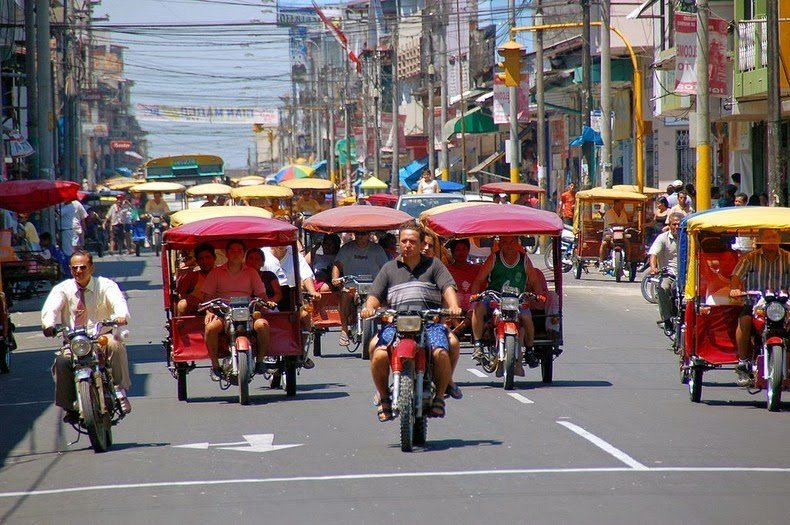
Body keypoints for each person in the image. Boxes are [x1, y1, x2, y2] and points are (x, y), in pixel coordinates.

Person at [360, 222, 462, 420]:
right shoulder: (389, 268)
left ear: (421, 243)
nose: (407, 245)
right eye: (404, 241)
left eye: (412, 241)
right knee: (376, 349)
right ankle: (383, 397)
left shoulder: (434, 265)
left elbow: (448, 288)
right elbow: (374, 296)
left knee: (443, 351)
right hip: (396, 323)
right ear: (398, 243)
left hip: (429, 323)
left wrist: (453, 306)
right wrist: (368, 308)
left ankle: (440, 395)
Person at [42, 250, 132, 423]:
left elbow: (118, 302)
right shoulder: (63, 289)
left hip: (100, 338)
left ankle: (119, 391)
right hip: (75, 342)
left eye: (83, 267)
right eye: (74, 268)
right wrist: (49, 325)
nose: (79, 271)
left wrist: (120, 316)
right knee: (62, 361)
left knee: (115, 345)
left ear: (92, 268)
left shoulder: (105, 285)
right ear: (70, 269)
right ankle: (69, 405)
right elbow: (51, 308)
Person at [471, 235, 545, 375]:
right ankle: (478, 345)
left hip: (517, 299)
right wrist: (474, 295)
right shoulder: (493, 258)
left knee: (527, 319)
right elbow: (478, 280)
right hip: (495, 297)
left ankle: (529, 350)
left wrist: (539, 295)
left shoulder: (524, 260)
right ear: (499, 244)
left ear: (517, 243)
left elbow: (535, 282)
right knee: (478, 308)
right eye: (504, 242)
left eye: (511, 241)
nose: (508, 245)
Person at [201, 239, 272, 377]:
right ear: (226, 253)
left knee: (263, 325)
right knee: (210, 328)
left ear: (243, 253)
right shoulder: (216, 272)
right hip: (223, 312)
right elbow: (207, 297)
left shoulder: (252, 272)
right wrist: (208, 312)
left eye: (239, 250)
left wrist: (267, 303)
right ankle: (215, 366)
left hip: (248, 312)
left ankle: (261, 360)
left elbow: (261, 294)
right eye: (232, 250)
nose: (236, 254)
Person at [729, 229, 790, 386]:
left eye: (774, 237)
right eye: (768, 237)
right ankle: (743, 362)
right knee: (745, 319)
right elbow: (736, 276)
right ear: (761, 240)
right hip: (755, 302)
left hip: (782, 304)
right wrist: (735, 288)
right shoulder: (750, 258)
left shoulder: (787, 257)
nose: (771, 240)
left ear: (779, 239)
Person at [331, 231, 389, 347]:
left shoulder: (377, 249)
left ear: (369, 235)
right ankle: (344, 330)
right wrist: (335, 278)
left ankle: (388, 329)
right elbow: (337, 265)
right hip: (352, 283)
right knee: (345, 295)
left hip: (373, 285)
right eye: (357, 234)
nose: (359, 236)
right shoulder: (347, 248)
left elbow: (386, 267)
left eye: (362, 234)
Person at [648, 213, 682, 336]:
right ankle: (667, 320)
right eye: (674, 224)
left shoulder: (688, 238)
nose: (677, 227)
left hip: (686, 275)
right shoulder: (662, 238)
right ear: (670, 225)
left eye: (679, 224)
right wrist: (653, 268)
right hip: (669, 273)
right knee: (663, 288)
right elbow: (653, 254)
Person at [176, 243, 216, 315]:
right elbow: (181, 295)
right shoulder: (192, 276)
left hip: (219, 308)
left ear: (214, 258)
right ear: (197, 261)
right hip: (197, 309)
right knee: (182, 305)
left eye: (208, 257)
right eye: (201, 259)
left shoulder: (222, 274)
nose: (205, 261)